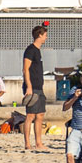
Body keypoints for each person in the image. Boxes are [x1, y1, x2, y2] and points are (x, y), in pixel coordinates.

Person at [21, 23, 49, 151]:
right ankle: (27, 143)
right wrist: (29, 87)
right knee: (30, 115)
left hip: (39, 87)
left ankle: (38, 142)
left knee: (40, 114)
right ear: (40, 35)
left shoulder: (38, 51)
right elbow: (25, 69)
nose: (46, 38)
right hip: (32, 87)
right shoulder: (30, 50)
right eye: (45, 35)